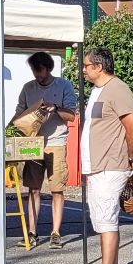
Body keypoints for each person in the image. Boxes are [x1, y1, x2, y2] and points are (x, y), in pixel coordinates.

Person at [77, 46, 133, 264]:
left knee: (106, 220)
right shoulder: (98, 90)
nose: (83, 70)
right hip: (97, 165)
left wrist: (130, 156)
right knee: (103, 219)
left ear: (99, 67)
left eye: (86, 65)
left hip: (110, 165)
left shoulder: (118, 89)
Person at [13, 52, 78, 246]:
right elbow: (18, 114)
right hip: (32, 144)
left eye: (39, 70)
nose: (37, 74)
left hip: (56, 142)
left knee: (56, 189)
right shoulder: (28, 88)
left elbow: (71, 116)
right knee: (33, 189)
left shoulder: (63, 85)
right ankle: (32, 232)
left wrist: (55, 107)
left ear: (48, 68)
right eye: (34, 69)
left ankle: (55, 232)